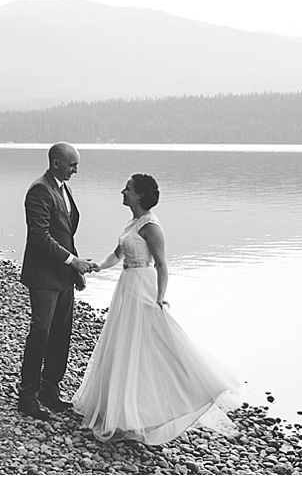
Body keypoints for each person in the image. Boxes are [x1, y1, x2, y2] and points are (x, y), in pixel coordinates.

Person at [72, 173, 240, 444]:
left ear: (139, 195)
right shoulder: (133, 222)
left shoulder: (151, 225)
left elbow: (161, 264)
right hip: (126, 287)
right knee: (125, 346)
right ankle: (121, 412)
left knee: (148, 347)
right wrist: (99, 267)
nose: (122, 192)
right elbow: (118, 254)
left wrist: (160, 297)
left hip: (143, 287)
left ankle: (168, 402)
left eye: (127, 189)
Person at [18, 142, 95, 420]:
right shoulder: (40, 189)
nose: (75, 170)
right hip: (43, 276)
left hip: (63, 276)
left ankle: (50, 390)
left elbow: (65, 235)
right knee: (41, 332)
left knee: (62, 334)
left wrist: (74, 270)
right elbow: (39, 238)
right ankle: (27, 396)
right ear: (56, 163)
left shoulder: (63, 188)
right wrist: (72, 261)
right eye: (72, 165)